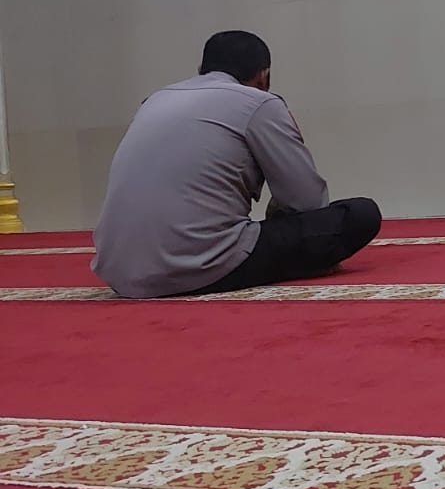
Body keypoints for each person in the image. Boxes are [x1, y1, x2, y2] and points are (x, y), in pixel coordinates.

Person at [92, 31, 381, 298]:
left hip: (119, 272)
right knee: (360, 214)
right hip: (198, 265)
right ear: (264, 75)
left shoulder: (155, 100)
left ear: (202, 69)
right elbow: (306, 200)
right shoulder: (260, 103)